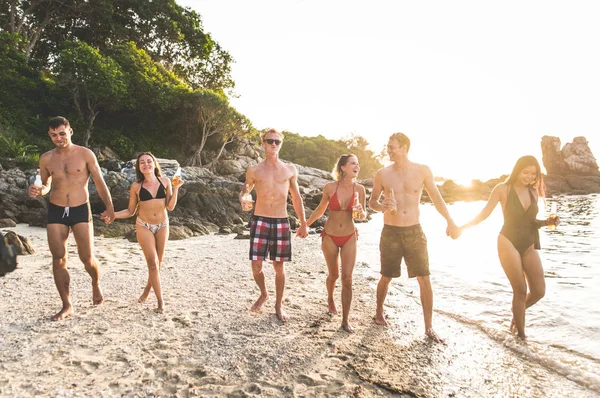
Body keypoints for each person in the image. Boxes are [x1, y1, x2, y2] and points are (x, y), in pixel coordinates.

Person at [368, 132, 460, 343]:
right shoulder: (382, 174)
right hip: (391, 232)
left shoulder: (422, 171)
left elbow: (437, 198)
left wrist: (450, 221)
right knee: (386, 276)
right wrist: (383, 207)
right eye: (388, 147)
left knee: (424, 278)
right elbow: (372, 202)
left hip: (414, 232)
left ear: (405, 148)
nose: (388, 150)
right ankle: (379, 311)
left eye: (392, 147)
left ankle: (428, 327)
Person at [459, 155, 558, 339]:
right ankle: (521, 337)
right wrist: (462, 228)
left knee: (539, 291)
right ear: (517, 170)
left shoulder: (533, 192)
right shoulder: (502, 189)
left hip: (529, 244)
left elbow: (530, 222)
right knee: (519, 290)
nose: (529, 177)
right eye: (525, 172)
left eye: (533, 174)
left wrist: (546, 222)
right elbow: (484, 214)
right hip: (508, 241)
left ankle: (517, 311)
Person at [28, 116, 115, 321]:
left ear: (70, 131)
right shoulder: (46, 158)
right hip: (57, 210)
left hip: (80, 210)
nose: (58, 138)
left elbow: (100, 183)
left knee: (87, 259)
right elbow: (46, 185)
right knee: (58, 259)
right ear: (49, 136)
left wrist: (110, 207)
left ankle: (95, 283)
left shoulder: (85, 154)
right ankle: (67, 305)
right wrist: (39, 191)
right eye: (53, 135)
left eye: (61, 133)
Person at [240, 128, 309, 322]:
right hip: (260, 219)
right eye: (270, 141)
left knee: (279, 267)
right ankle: (264, 293)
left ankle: (278, 305)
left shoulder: (289, 170)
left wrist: (303, 223)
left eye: (277, 142)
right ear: (263, 143)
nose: (273, 144)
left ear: (280, 144)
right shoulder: (254, 170)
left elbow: (296, 197)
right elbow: (245, 191)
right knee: (256, 266)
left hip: (281, 220)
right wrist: (243, 199)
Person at [111, 152, 183, 313]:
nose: (146, 164)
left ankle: (146, 291)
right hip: (144, 226)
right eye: (142, 162)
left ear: (154, 164)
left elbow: (170, 207)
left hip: (163, 225)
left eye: (149, 161)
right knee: (152, 263)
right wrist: (113, 215)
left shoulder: (165, 181)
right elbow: (130, 211)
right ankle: (160, 301)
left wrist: (176, 188)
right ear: (139, 167)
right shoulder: (136, 186)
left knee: (158, 264)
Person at [305, 154, 367, 333]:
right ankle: (330, 297)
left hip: (349, 236)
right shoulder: (330, 187)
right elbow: (320, 209)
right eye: (353, 163)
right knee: (333, 275)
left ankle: (345, 320)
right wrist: (305, 225)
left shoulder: (360, 189)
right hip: (330, 236)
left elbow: (363, 216)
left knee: (347, 278)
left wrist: (361, 212)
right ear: (343, 167)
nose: (357, 166)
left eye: (358, 163)